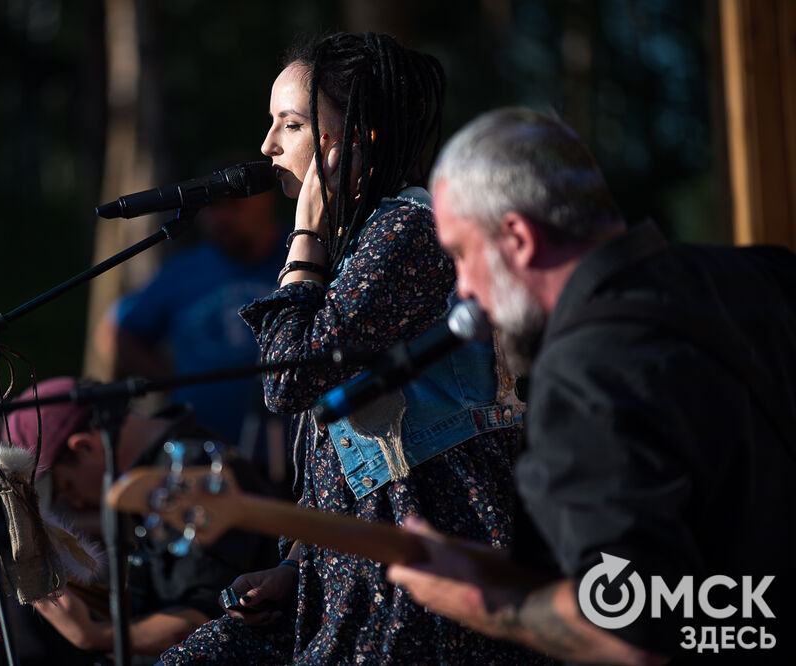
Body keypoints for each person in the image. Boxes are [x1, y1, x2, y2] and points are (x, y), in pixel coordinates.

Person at [159, 33, 544, 664]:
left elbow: (289, 378)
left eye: (290, 124)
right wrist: (296, 564)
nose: (267, 147)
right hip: (354, 568)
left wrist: (305, 233)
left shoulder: (407, 233)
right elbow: (337, 457)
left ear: (351, 141)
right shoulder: (364, 243)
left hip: (428, 562)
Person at [387, 108, 796, 664]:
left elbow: (636, 632)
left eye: (460, 254)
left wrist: (483, 603)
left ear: (517, 239)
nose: (464, 292)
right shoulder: (768, 276)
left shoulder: (581, 377)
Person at [3, 376, 278, 659]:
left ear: (84, 446)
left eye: (68, 486)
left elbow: (205, 620)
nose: (76, 502)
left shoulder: (189, 472)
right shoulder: (151, 476)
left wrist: (92, 635)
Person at [94, 190, 291, 486]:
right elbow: (117, 335)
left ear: (265, 202)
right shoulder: (186, 270)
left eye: (233, 205)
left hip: (298, 454)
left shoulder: (303, 252)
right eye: (212, 209)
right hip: (207, 459)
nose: (221, 219)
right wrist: (174, 378)